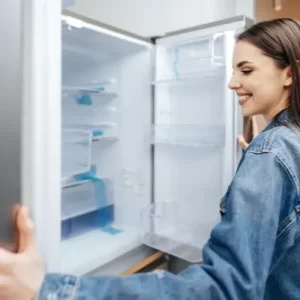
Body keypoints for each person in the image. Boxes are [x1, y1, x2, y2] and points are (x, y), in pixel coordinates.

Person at [1, 17, 300, 300]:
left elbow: (224, 290)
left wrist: (49, 289)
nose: (232, 83)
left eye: (246, 71)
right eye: (233, 71)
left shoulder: (271, 152)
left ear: (289, 72)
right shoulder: (288, 141)